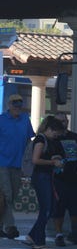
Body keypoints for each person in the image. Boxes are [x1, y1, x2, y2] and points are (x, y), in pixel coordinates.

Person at [24, 115, 65, 249]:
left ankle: (32, 236)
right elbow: (36, 160)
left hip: (47, 176)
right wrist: (53, 162)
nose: (56, 135)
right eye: (55, 132)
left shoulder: (47, 140)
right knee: (46, 209)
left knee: (51, 207)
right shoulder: (41, 139)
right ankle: (39, 242)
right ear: (49, 129)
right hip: (40, 177)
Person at [0, 94, 35, 239]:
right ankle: (10, 226)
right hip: (2, 163)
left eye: (20, 105)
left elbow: (29, 141)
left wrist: (28, 162)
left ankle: (1, 226)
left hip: (18, 165)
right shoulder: (1, 120)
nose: (17, 107)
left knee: (12, 196)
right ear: (9, 105)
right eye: (15, 104)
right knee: (7, 195)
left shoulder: (25, 120)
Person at [52, 112, 77, 247]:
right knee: (59, 207)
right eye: (59, 121)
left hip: (75, 177)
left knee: (76, 208)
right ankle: (59, 234)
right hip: (59, 178)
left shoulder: (75, 137)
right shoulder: (52, 138)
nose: (62, 123)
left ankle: (75, 233)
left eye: (64, 121)